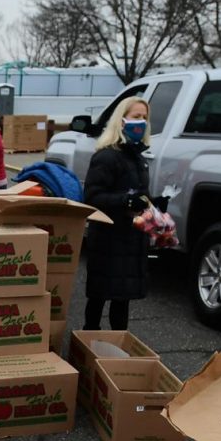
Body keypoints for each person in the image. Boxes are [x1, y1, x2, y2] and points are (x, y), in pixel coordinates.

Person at [82, 96, 162, 331]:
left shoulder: (138, 158)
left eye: (145, 118)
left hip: (131, 237)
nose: (141, 122)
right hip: (108, 237)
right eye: (136, 117)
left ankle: (117, 344)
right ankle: (88, 340)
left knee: (122, 299)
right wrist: (125, 200)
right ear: (122, 120)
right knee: (99, 295)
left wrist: (154, 204)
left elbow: (139, 194)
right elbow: (93, 197)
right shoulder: (106, 156)